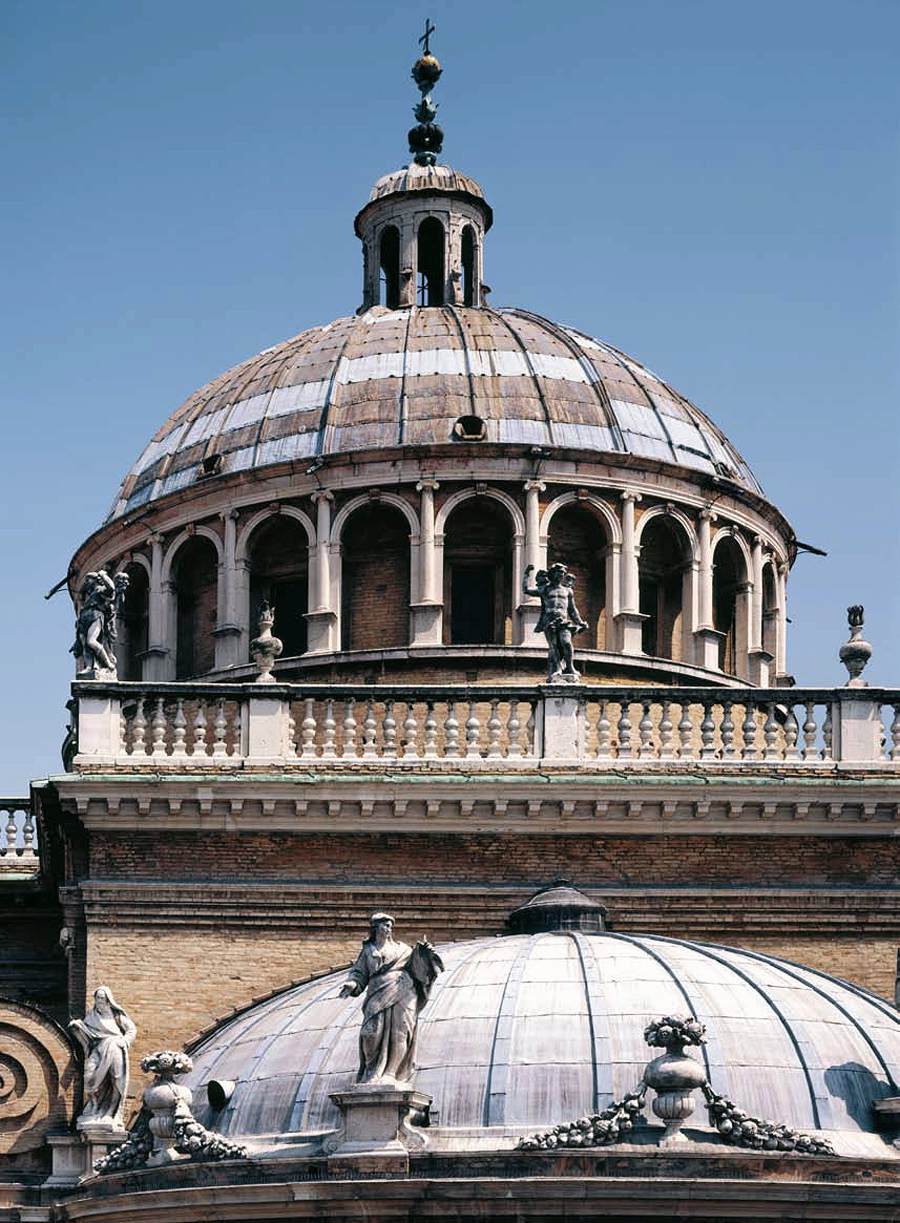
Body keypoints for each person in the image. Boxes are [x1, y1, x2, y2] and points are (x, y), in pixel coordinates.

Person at [339, 913, 443, 1085]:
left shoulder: (404, 949)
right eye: (385, 925)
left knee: (400, 1033)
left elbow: (420, 970)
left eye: (390, 925)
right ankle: (372, 1072)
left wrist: (426, 956)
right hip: (377, 991)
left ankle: (391, 1073)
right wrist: (352, 984)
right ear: (375, 928)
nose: (388, 929)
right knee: (370, 1033)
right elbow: (359, 973)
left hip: (405, 990)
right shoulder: (368, 950)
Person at [69, 987, 136, 1130]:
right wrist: (78, 1027)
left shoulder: (117, 1016)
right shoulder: (92, 1016)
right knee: (89, 1078)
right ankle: (94, 1106)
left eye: (102, 998)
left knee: (116, 1079)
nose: (99, 1001)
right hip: (97, 1050)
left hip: (115, 1047)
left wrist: (124, 1041)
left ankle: (111, 1113)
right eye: (97, 998)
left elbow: (131, 1030)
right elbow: (88, 1033)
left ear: (108, 1000)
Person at [523, 562, 588, 681]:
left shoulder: (568, 591)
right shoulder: (544, 589)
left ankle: (570, 667)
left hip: (563, 620)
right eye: (559, 573)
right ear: (553, 574)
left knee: (566, 643)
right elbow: (526, 590)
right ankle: (557, 668)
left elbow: (572, 610)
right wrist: (527, 574)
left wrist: (580, 622)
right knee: (554, 647)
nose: (562, 575)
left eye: (563, 573)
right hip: (549, 621)